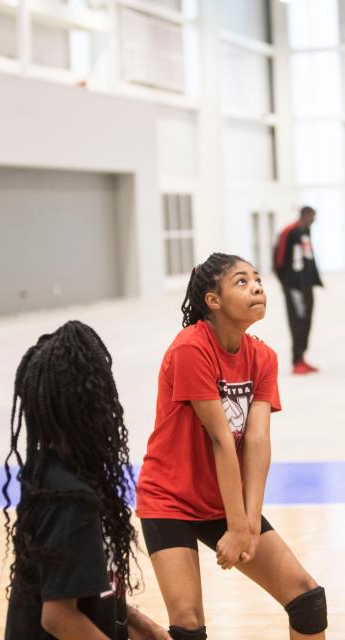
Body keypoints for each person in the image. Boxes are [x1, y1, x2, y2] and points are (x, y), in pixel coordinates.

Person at [136, 253, 328, 640]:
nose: (256, 286)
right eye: (241, 281)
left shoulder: (264, 357)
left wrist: (250, 524)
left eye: (257, 279)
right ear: (213, 300)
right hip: (170, 498)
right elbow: (222, 439)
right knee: (188, 625)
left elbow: (256, 441)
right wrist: (238, 525)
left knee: (307, 599)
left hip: (222, 499)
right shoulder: (191, 348)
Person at [2, 320, 169, 639]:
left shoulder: (70, 478)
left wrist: (144, 628)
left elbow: (86, 590)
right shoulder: (65, 493)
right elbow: (59, 617)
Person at [274, 206, 323, 374]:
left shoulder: (306, 231)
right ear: (305, 215)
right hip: (294, 286)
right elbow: (279, 259)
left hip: (307, 285)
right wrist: (287, 283)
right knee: (297, 321)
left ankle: (302, 357)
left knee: (307, 320)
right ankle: (296, 361)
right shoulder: (289, 232)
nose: (314, 220)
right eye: (312, 217)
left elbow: (308, 256)